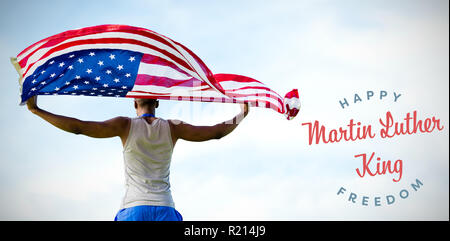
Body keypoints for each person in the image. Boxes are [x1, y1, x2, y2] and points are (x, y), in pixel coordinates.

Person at [26, 96, 249, 221]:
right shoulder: (173, 127)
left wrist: (37, 110)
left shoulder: (125, 125)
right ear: (158, 102)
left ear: (134, 103)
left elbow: (78, 128)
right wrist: (242, 113)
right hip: (165, 210)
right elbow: (216, 131)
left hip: (134, 210)